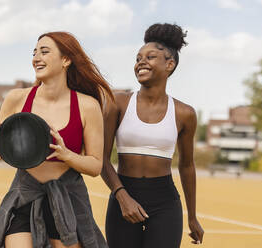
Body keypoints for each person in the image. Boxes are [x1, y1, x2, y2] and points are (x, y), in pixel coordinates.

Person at [0, 31, 113, 248]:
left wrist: (67, 155)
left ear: (66, 60)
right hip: (24, 193)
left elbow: (95, 165)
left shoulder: (87, 105)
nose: (36, 57)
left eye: (44, 52)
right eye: (34, 52)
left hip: (68, 198)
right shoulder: (17, 98)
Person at [101, 23, 204, 248]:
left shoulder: (184, 113)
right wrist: (122, 197)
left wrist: (193, 216)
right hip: (123, 196)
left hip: (165, 202)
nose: (141, 62)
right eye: (138, 58)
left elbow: (187, 166)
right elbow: (102, 159)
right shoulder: (118, 103)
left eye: (150, 56)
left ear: (170, 64)